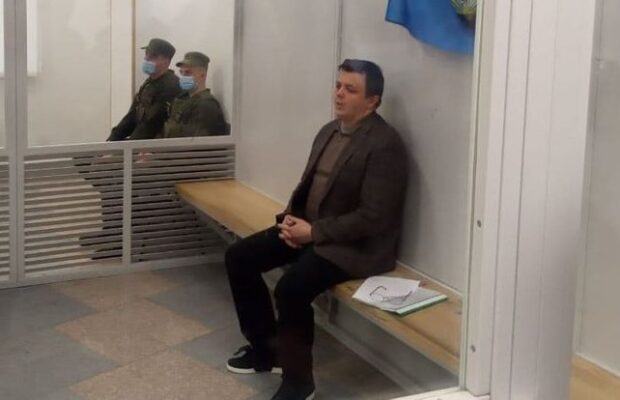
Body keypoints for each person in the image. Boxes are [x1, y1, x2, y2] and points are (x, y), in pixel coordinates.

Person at [224, 59, 409, 400]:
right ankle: (267, 349)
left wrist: (313, 233)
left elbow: (374, 218)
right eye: (338, 85)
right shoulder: (329, 130)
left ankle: (299, 384)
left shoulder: (385, 145)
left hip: (353, 246)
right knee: (239, 256)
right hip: (312, 231)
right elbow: (309, 187)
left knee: (291, 289)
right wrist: (290, 219)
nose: (339, 94)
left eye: (350, 89)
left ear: (372, 101)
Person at [107, 38, 181, 141]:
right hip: (142, 143)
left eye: (153, 56)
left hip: (159, 146)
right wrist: (111, 140)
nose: (146, 58)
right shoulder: (148, 84)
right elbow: (131, 117)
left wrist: (130, 146)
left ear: (166, 61)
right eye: (146, 54)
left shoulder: (171, 85)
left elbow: (152, 123)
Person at [162, 51, 230, 138]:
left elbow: (195, 142)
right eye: (181, 72)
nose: (183, 77)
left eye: (187, 72)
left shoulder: (206, 105)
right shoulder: (183, 98)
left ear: (202, 74)